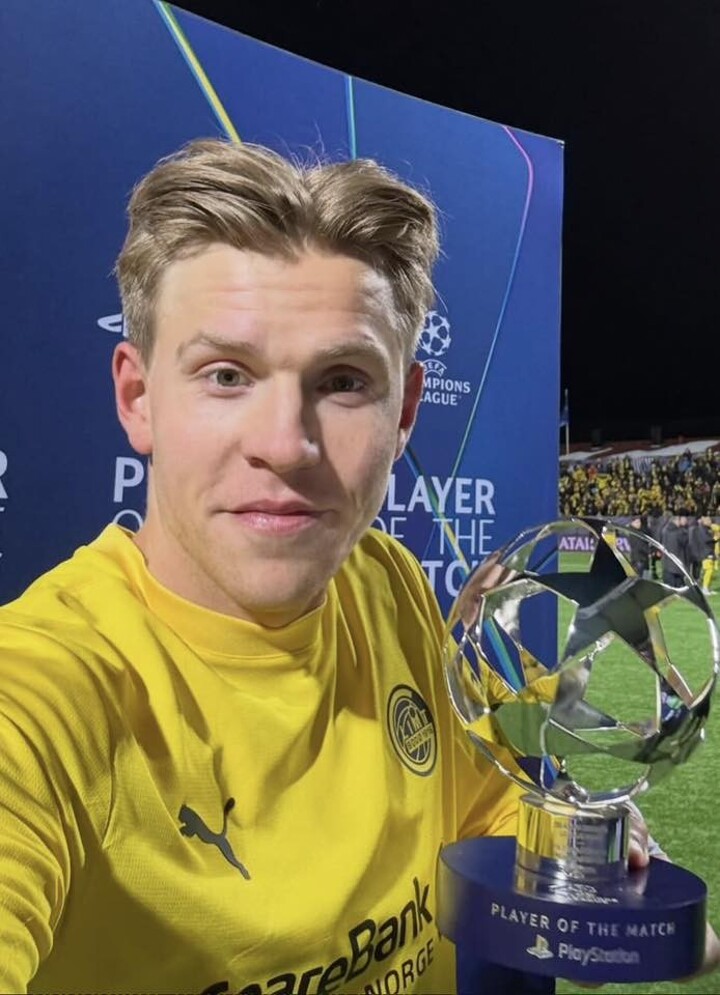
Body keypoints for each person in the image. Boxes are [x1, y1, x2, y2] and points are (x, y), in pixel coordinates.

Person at [0, 140, 716, 994]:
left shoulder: (388, 580)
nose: (285, 444)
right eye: (226, 375)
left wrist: (574, 862)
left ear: (405, 410)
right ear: (138, 397)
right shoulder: (42, 693)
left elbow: (484, 803)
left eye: (342, 382)